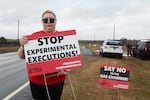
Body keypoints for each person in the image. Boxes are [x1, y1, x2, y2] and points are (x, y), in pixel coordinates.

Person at [18, 10, 67, 100]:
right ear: (42, 22)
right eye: (45, 20)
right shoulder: (33, 37)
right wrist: (22, 46)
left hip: (56, 81)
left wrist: (67, 68)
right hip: (36, 81)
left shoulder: (64, 38)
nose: (48, 22)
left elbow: (69, 59)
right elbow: (21, 56)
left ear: (55, 21)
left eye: (51, 20)